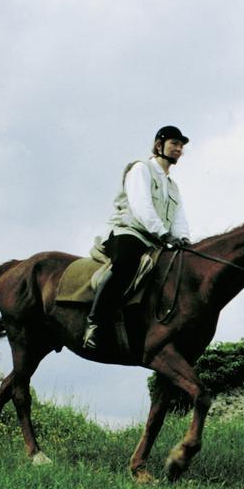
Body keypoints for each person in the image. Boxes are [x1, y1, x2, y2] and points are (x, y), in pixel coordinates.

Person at [83, 125, 192, 348]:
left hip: (155, 240)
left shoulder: (173, 187)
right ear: (159, 145)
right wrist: (164, 234)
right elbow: (141, 206)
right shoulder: (141, 169)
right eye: (174, 144)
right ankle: (94, 323)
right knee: (126, 264)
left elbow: (179, 218)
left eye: (181, 146)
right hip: (129, 231)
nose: (179, 149)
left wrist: (183, 239)